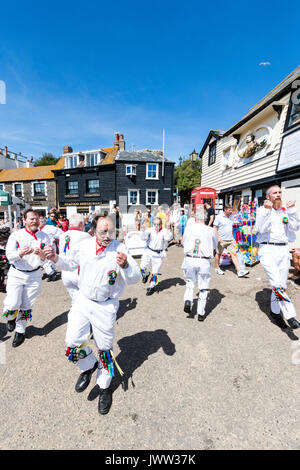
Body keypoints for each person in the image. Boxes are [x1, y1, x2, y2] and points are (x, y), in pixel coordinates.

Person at [44, 215, 141, 415]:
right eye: (103, 231)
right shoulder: (85, 246)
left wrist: (125, 266)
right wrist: (55, 258)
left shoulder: (120, 249)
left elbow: (135, 278)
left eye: (111, 231)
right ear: (93, 231)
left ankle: (104, 387)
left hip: (105, 307)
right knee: (72, 342)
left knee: (104, 348)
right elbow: (69, 263)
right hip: (82, 300)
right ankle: (88, 365)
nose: (107, 236)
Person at [2, 209, 51, 347]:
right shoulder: (16, 235)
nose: (34, 221)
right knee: (12, 303)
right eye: (31, 219)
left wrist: (41, 255)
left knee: (27, 305)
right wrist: (20, 253)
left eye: (36, 218)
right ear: (24, 220)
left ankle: (20, 331)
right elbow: (9, 255)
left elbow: (46, 259)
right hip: (17, 273)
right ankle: (11, 317)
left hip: (34, 275)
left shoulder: (44, 237)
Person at [256, 185, 300, 329]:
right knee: (277, 283)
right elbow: (261, 229)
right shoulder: (262, 210)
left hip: (282, 250)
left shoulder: (285, 211)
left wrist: (293, 211)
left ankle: (275, 312)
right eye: (275, 193)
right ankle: (290, 315)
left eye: (280, 192)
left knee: (280, 284)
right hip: (267, 249)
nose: (278, 195)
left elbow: (295, 227)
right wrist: (268, 212)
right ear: (268, 197)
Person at [182, 209, 218, 321]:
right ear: (206, 218)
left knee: (190, 281)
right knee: (203, 286)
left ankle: (188, 300)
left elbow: (184, 242)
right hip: (203, 260)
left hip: (190, 258)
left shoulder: (188, 229)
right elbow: (215, 244)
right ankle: (201, 313)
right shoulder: (210, 230)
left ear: (195, 218)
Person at [58, 213, 91, 301]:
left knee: (74, 298)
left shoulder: (62, 235)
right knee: (86, 297)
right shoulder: (86, 236)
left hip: (65, 272)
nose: (84, 226)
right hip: (78, 272)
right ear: (80, 224)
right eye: (84, 224)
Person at [213, 204, 249, 277]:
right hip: (221, 240)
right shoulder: (219, 217)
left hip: (230, 239)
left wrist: (233, 237)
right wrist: (218, 238)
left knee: (234, 254)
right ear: (225, 209)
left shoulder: (231, 217)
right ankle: (217, 268)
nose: (231, 212)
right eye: (229, 210)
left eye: (231, 210)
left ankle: (239, 271)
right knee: (218, 253)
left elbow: (231, 227)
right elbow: (215, 228)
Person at [140, 217, 172, 295]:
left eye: (159, 224)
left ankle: (152, 286)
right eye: (155, 224)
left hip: (158, 254)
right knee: (142, 266)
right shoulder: (150, 230)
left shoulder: (165, 231)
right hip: (148, 251)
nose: (157, 226)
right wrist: (144, 230)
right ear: (153, 224)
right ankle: (146, 273)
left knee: (155, 272)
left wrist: (168, 228)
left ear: (162, 224)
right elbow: (143, 238)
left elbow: (168, 238)